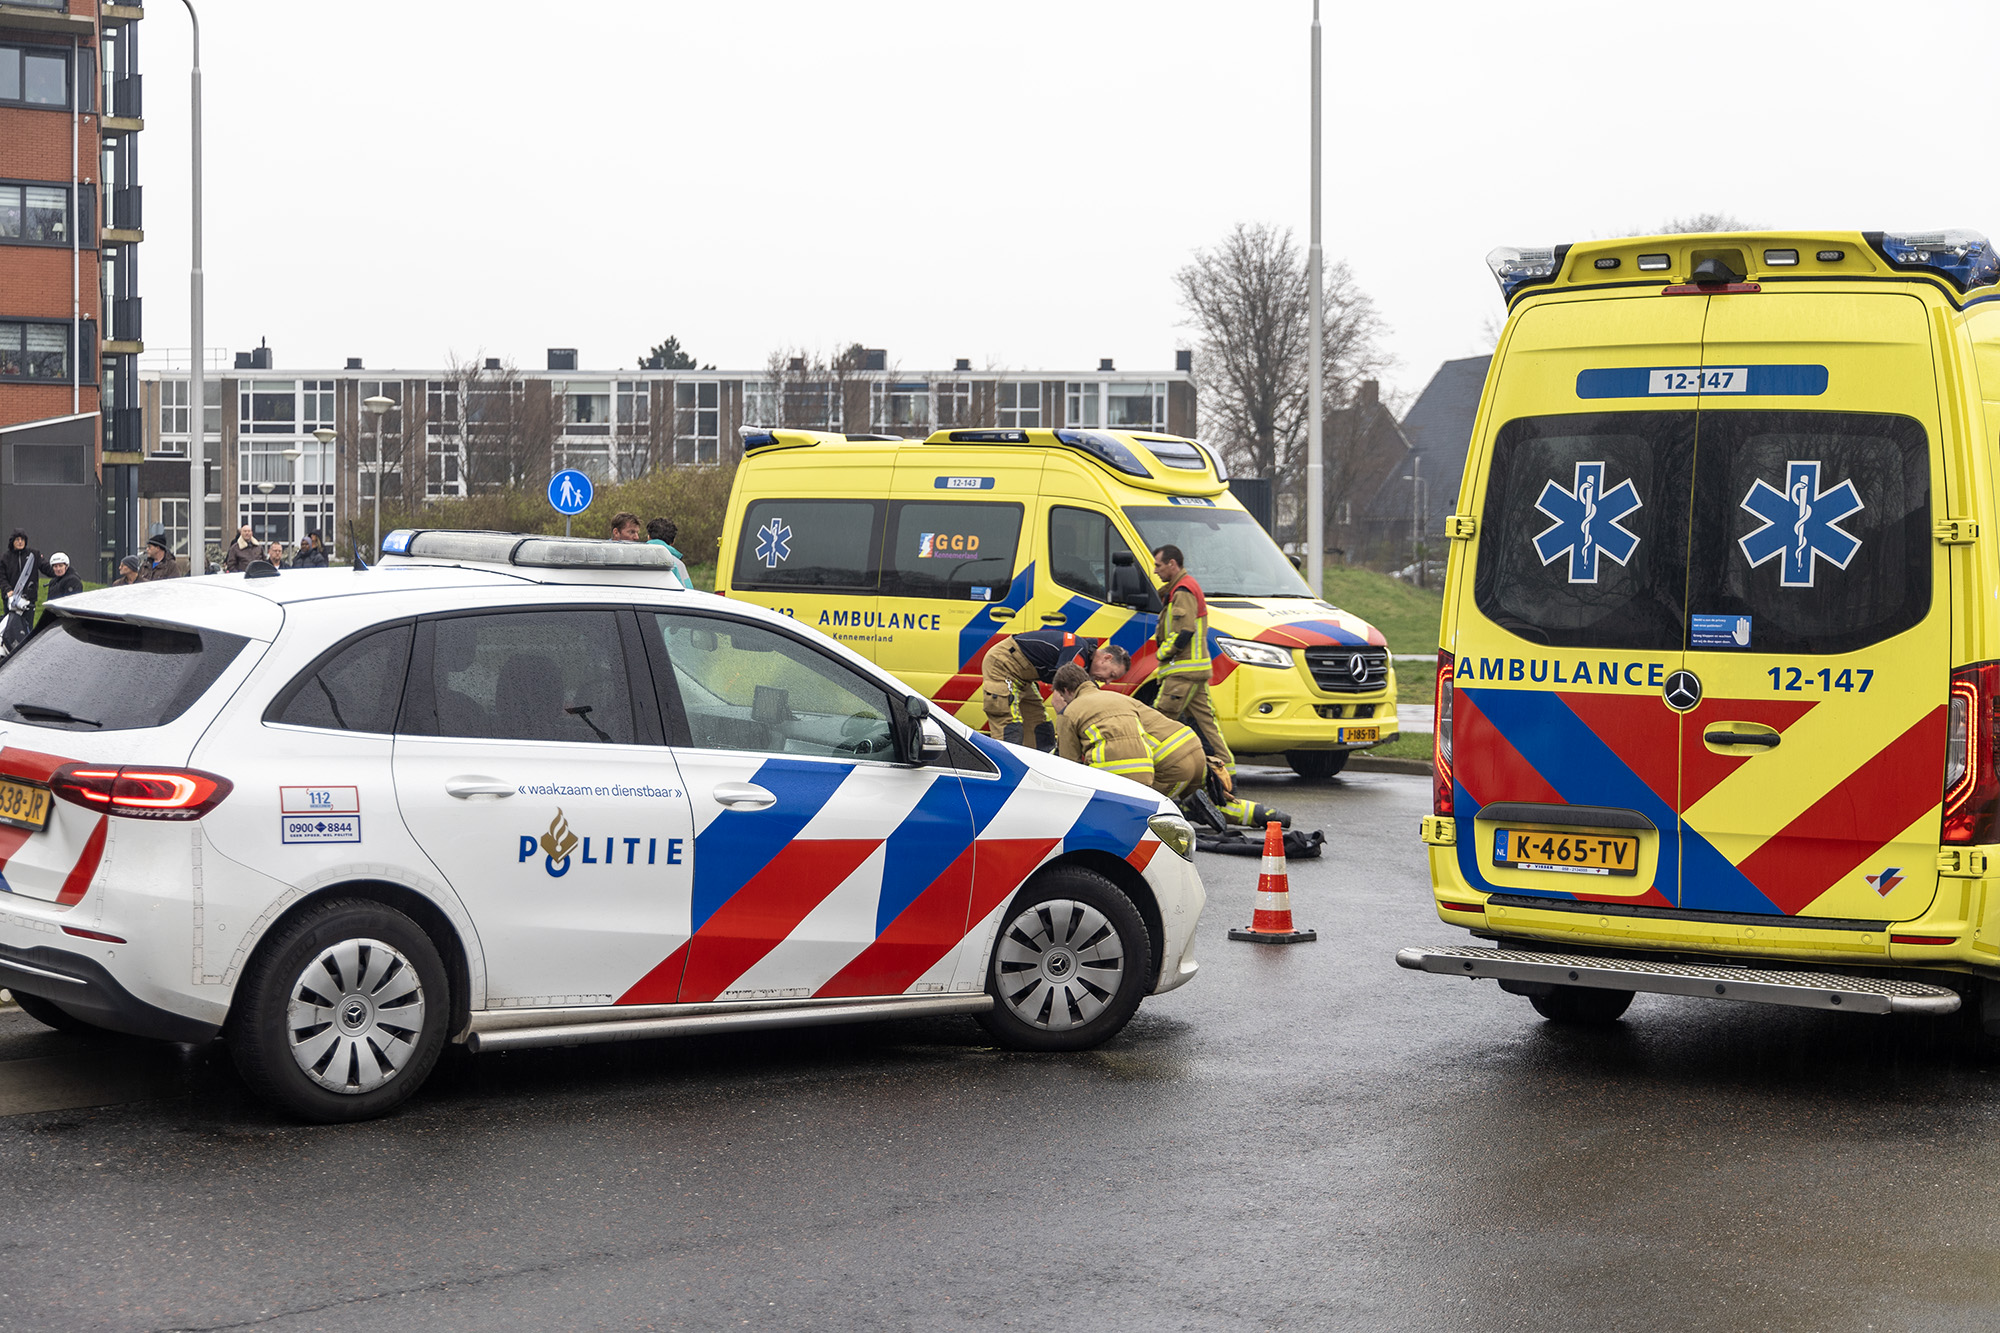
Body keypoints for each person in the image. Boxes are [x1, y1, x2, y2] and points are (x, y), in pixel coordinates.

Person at [1147, 544, 1234, 774]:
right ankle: (1228, 772)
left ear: (1172, 564)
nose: (1155, 571)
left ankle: (1148, 769)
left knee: (1158, 720)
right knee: (1207, 725)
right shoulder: (1183, 587)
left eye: (1158, 565)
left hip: (1183, 671)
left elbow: (1183, 632)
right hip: (1194, 670)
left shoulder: (1183, 590)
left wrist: (1162, 653)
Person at [982, 633, 1127, 750]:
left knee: (1039, 726)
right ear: (1107, 658)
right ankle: (1006, 769)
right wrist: (1070, 731)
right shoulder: (1077, 652)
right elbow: (1058, 700)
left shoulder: (1084, 661)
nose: (1108, 682)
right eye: (1111, 675)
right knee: (1010, 725)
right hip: (1004, 665)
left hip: (1023, 677)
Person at [0, 531, 44, 622]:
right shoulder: (5, 557)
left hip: (28, 599)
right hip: (11, 600)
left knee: (27, 629)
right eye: (17, 540)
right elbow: (2, 578)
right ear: (12, 542)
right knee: (11, 629)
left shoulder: (34, 554)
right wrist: (8, 590)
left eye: (22, 539)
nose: (20, 542)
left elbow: (46, 568)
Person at [645, 517, 692, 586]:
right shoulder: (677, 564)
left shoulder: (633, 558)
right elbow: (687, 591)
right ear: (673, 542)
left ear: (648, 537)